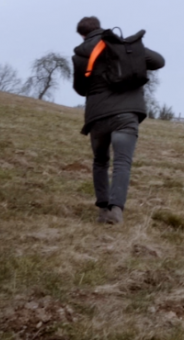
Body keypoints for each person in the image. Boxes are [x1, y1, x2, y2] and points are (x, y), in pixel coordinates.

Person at [72, 16, 165, 225]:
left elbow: (80, 89)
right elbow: (159, 61)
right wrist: (131, 50)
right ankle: (116, 210)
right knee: (122, 162)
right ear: (100, 27)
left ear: (82, 35)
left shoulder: (80, 55)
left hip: (97, 116)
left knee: (100, 161)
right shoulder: (123, 46)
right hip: (126, 114)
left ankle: (102, 210)